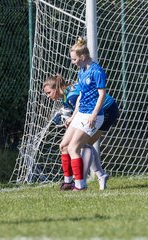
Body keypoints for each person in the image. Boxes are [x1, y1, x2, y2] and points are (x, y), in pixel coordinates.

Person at [45, 37, 118, 191]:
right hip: (82, 113)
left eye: (74, 59)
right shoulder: (81, 71)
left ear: (83, 57)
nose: (73, 62)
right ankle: (69, 182)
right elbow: (81, 97)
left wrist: (93, 115)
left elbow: (102, 95)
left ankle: (81, 184)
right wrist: (73, 117)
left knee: (76, 147)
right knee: (64, 145)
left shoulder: (96, 71)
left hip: (96, 113)